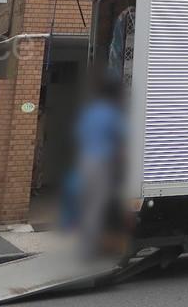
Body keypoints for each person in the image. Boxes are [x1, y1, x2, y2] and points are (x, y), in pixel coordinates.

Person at [74, 71, 126, 258]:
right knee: (98, 206)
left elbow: (79, 134)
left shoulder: (91, 111)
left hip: (85, 160)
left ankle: (86, 245)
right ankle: (91, 250)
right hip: (103, 162)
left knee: (87, 205)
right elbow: (124, 136)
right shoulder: (112, 113)